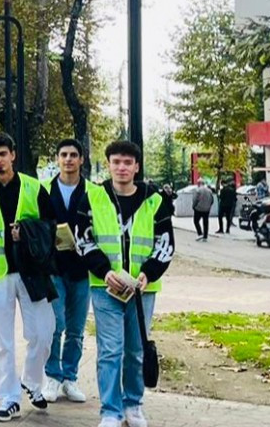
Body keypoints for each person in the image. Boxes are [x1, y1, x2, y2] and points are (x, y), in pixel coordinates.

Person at [74, 141, 174, 427]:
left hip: (143, 289)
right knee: (110, 350)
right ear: (108, 164)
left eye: (127, 162)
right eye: (116, 161)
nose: (121, 167)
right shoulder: (93, 197)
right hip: (106, 287)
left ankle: (133, 405)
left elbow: (165, 243)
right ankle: (110, 410)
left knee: (135, 350)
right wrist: (104, 271)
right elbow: (84, 240)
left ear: (137, 167)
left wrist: (148, 274)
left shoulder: (154, 199)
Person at [0, 133, 56, 421]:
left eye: (3, 153)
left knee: (44, 332)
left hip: (31, 272)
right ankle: (8, 398)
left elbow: (51, 227)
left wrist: (27, 231)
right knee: (1, 341)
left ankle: (31, 381)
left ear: (13, 155)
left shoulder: (34, 187)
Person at [42, 139, 91, 404]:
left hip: (83, 269)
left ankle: (70, 377)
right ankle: (52, 375)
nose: (69, 159)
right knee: (55, 325)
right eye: (64, 155)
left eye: (74, 155)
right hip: (54, 268)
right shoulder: (44, 191)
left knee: (76, 328)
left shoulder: (92, 192)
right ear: (57, 159)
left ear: (81, 160)